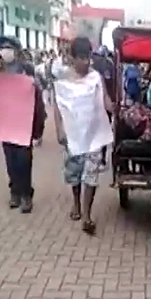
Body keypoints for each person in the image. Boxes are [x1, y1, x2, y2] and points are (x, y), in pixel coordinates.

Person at [54, 36, 113, 235]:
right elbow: (58, 106)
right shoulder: (63, 79)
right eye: (81, 58)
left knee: (91, 173)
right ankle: (76, 203)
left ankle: (87, 214)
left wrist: (113, 107)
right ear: (72, 58)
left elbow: (104, 98)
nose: (85, 62)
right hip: (73, 134)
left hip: (94, 133)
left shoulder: (96, 77)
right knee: (75, 171)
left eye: (88, 57)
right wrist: (59, 129)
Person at [0, 35, 46, 213]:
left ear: (16, 51)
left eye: (9, 48)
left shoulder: (26, 68)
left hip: (24, 123)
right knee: (10, 160)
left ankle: (26, 194)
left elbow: (38, 89)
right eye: (3, 48)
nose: (6, 51)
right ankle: (15, 192)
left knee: (24, 160)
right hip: (6, 122)